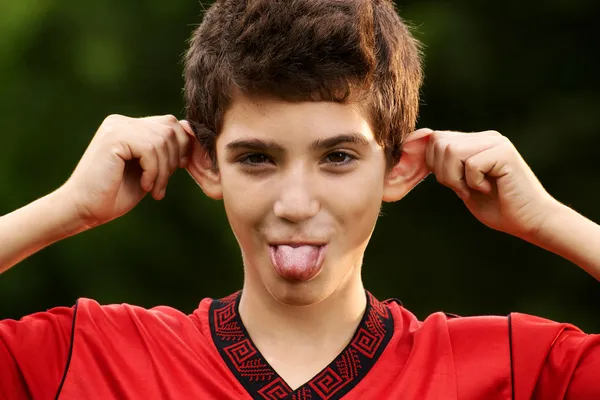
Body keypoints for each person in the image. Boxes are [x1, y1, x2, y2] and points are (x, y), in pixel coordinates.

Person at [1, 0, 599, 399]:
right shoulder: (91, 360)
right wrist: (65, 208)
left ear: (399, 167)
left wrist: (548, 220)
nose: (295, 203)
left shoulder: (515, 369)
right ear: (205, 164)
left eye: (338, 157)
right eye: (257, 158)